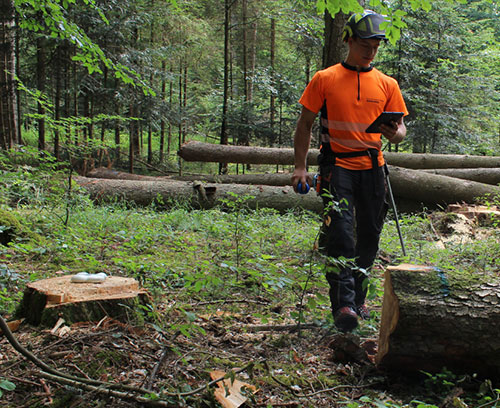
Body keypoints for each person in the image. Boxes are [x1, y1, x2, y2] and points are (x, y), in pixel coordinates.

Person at [291, 10, 408, 332]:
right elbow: (305, 124)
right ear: (349, 41)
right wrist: (300, 167)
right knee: (341, 234)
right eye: (365, 45)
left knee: (369, 235)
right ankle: (343, 304)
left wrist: (394, 133)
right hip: (337, 165)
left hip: (373, 167)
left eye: (376, 47)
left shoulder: (387, 84)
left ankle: (358, 299)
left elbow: (401, 130)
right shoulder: (324, 79)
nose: (371, 52)